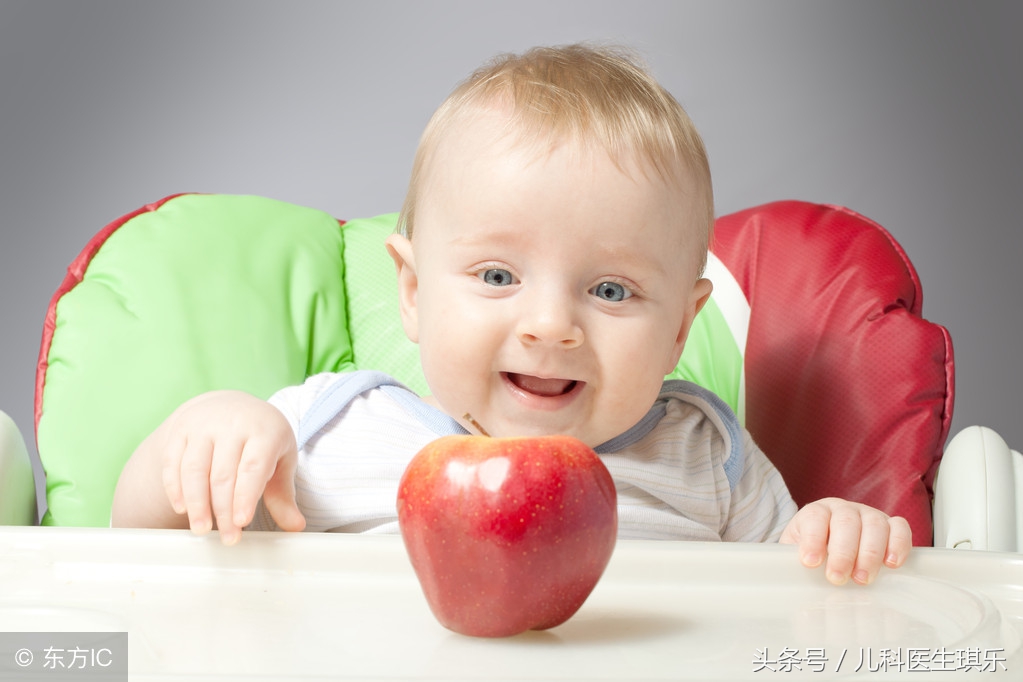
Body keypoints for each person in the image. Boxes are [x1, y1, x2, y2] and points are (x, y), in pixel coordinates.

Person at [112, 43, 911, 586]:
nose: (550, 326)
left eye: (609, 291)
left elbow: (792, 602)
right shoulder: (327, 432)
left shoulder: (707, 458)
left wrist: (834, 536)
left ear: (678, 329)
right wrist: (208, 434)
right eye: (497, 274)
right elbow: (133, 557)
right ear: (415, 293)